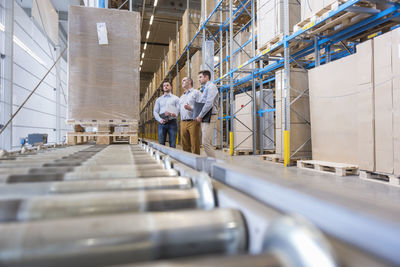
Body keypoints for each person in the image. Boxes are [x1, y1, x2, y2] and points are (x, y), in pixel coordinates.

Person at [195, 70, 219, 157]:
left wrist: (200, 115)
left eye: (200, 77)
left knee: (205, 143)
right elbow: (202, 103)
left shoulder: (211, 87)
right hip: (206, 116)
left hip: (210, 116)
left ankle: (214, 164)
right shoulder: (206, 88)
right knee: (207, 142)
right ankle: (212, 162)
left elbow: (209, 103)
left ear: (206, 77)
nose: (199, 79)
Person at [179, 77, 202, 155]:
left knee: (195, 144)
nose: (182, 82)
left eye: (184, 80)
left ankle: (196, 162)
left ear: (189, 82)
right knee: (185, 144)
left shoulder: (196, 93)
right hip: (183, 122)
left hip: (193, 121)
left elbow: (200, 107)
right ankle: (188, 161)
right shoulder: (182, 97)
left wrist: (191, 108)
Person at [153, 81, 179, 148]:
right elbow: (155, 112)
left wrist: (174, 114)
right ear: (163, 88)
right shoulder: (159, 99)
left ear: (171, 87)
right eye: (164, 85)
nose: (166, 86)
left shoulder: (176, 98)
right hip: (162, 123)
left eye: (167, 85)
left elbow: (178, 110)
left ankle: (172, 158)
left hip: (172, 122)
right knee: (161, 143)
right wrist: (160, 120)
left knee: (173, 144)